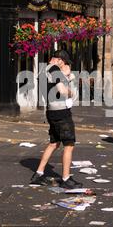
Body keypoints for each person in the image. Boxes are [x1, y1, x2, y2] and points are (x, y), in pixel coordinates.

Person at [30, 50, 82, 189]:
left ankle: (38, 174)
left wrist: (68, 76)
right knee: (69, 145)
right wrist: (69, 91)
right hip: (61, 113)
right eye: (64, 62)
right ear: (59, 60)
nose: (65, 65)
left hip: (51, 111)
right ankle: (65, 178)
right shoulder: (54, 69)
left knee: (54, 143)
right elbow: (62, 90)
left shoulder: (47, 69)